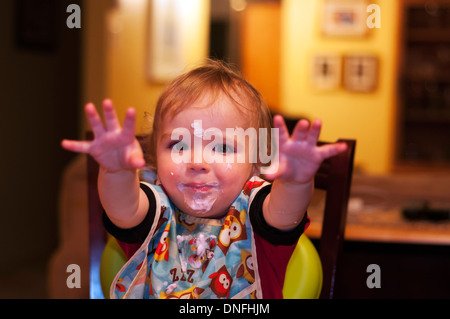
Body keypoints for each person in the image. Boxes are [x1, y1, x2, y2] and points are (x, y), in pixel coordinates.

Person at [62, 59, 347, 299]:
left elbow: (286, 212)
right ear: (154, 157)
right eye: (179, 145)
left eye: (222, 147)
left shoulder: (258, 214)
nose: (198, 162)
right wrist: (116, 171)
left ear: (257, 161)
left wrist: (296, 180)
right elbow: (122, 207)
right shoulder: (154, 213)